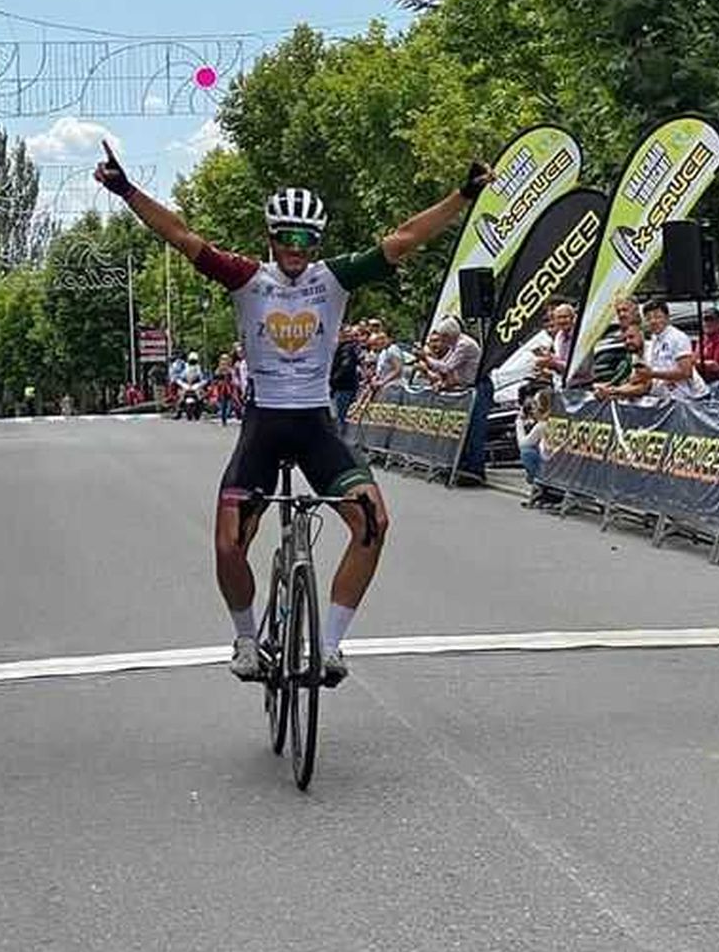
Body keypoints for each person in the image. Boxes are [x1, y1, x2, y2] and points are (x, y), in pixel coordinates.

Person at [97, 140, 489, 687]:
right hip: (264, 425)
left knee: (374, 523)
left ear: (316, 242)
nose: (297, 249)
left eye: (306, 239)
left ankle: (329, 643)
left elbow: (403, 240)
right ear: (272, 238)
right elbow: (182, 236)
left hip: (315, 425)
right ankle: (245, 637)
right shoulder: (246, 277)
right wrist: (126, 190)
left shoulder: (333, 277)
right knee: (228, 541)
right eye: (287, 238)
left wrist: (462, 197)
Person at [420, 316, 490, 483]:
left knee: (474, 429)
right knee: (462, 428)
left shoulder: (464, 344)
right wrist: (442, 382)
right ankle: (461, 465)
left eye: (444, 338)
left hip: (479, 387)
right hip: (465, 386)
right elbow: (446, 368)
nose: (442, 342)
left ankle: (475, 470)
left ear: (450, 335)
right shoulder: (455, 344)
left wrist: (425, 358)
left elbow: (446, 367)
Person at [329, 324, 363, 435]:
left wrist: (332, 381)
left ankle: (338, 442)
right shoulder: (344, 348)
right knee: (338, 416)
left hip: (343, 388)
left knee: (339, 417)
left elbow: (345, 367)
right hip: (341, 387)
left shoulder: (347, 348)